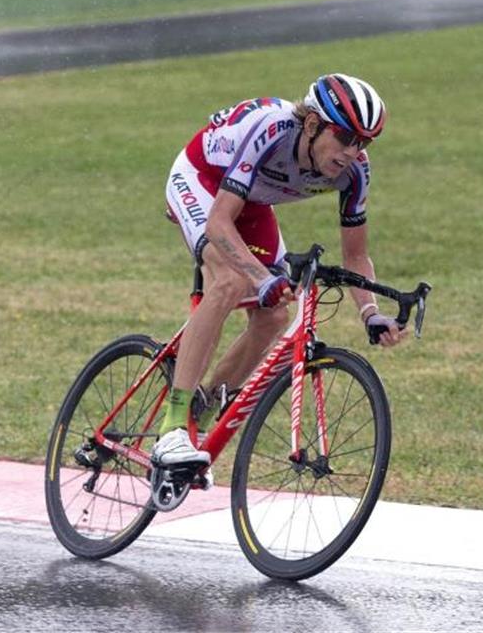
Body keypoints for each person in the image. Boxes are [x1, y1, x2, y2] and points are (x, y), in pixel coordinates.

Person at [155, 73, 406, 468]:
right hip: (202, 179)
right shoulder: (272, 131)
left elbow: (356, 256)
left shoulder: (355, 171)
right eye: (344, 137)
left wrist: (370, 313)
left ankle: (197, 418)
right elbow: (219, 223)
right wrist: (262, 278)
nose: (352, 152)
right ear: (311, 124)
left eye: (364, 142)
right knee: (231, 281)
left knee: (274, 314)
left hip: (250, 199)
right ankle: (171, 429)